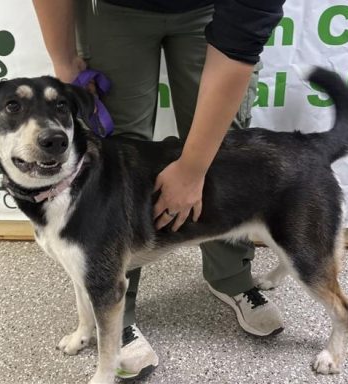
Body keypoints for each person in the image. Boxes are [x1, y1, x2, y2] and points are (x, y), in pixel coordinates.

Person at [33, 0, 286, 379]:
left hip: (216, 9)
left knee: (225, 153)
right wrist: (64, 59)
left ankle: (230, 277)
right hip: (114, 9)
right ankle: (119, 308)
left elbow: (244, 32)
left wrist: (193, 168)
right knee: (114, 147)